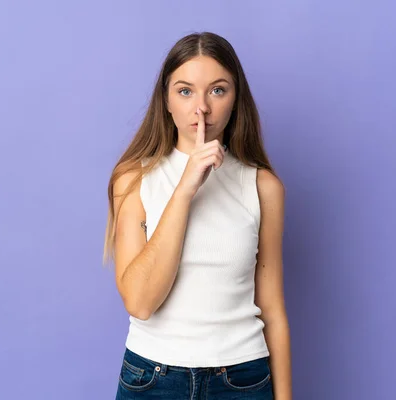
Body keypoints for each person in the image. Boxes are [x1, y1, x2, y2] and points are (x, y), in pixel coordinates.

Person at [103, 31, 292, 399]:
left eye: (218, 90)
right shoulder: (133, 179)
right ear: (167, 101)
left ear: (236, 101)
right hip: (152, 379)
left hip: (241, 380)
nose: (201, 108)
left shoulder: (263, 187)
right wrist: (186, 186)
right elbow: (141, 302)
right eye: (185, 91)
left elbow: (272, 309)